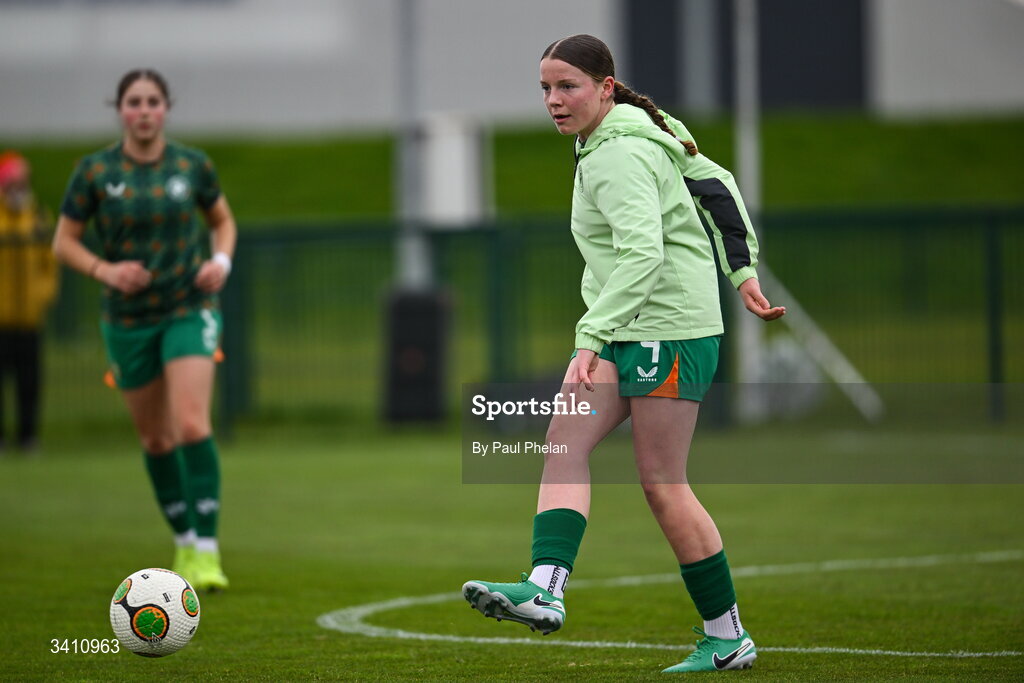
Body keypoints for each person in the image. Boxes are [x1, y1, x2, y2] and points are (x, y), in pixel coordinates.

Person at [461, 35, 785, 673]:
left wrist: (589, 335)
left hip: (667, 328)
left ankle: (727, 636)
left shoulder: (620, 155)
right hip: (633, 324)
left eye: (568, 87)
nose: (554, 101)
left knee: (664, 484)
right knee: (564, 440)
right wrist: (741, 272)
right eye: (546, 89)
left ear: (606, 87)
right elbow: (716, 184)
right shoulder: (633, 130)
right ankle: (546, 588)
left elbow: (645, 254)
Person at [52, 69, 237, 591]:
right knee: (156, 438)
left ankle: (207, 551)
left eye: (153, 100)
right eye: (134, 101)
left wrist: (220, 262)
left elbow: (223, 221)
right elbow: (63, 242)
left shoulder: (192, 165)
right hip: (128, 320)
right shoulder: (94, 172)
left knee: (193, 425)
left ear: (166, 108)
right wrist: (104, 271)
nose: (144, 110)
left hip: (189, 307)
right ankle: (182, 539)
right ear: (120, 110)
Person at [0, 151, 59, 454]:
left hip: (29, 317)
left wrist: (43, 295)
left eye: (22, 180)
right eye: (12, 180)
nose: (17, 186)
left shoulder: (37, 215)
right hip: (2, 316)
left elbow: (50, 263)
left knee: (29, 381)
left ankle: (28, 436)